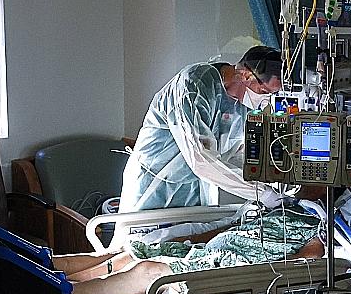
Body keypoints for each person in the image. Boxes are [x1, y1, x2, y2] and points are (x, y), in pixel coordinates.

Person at [120, 45, 284, 213]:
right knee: (144, 237)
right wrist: (261, 193)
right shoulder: (194, 85)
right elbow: (200, 157)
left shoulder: (241, 107)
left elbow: (235, 155)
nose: (265, 99)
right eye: (264, 91)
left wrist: (275, 177)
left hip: (197, 194)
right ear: (245, 75)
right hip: (153, 190)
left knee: (194, 237)